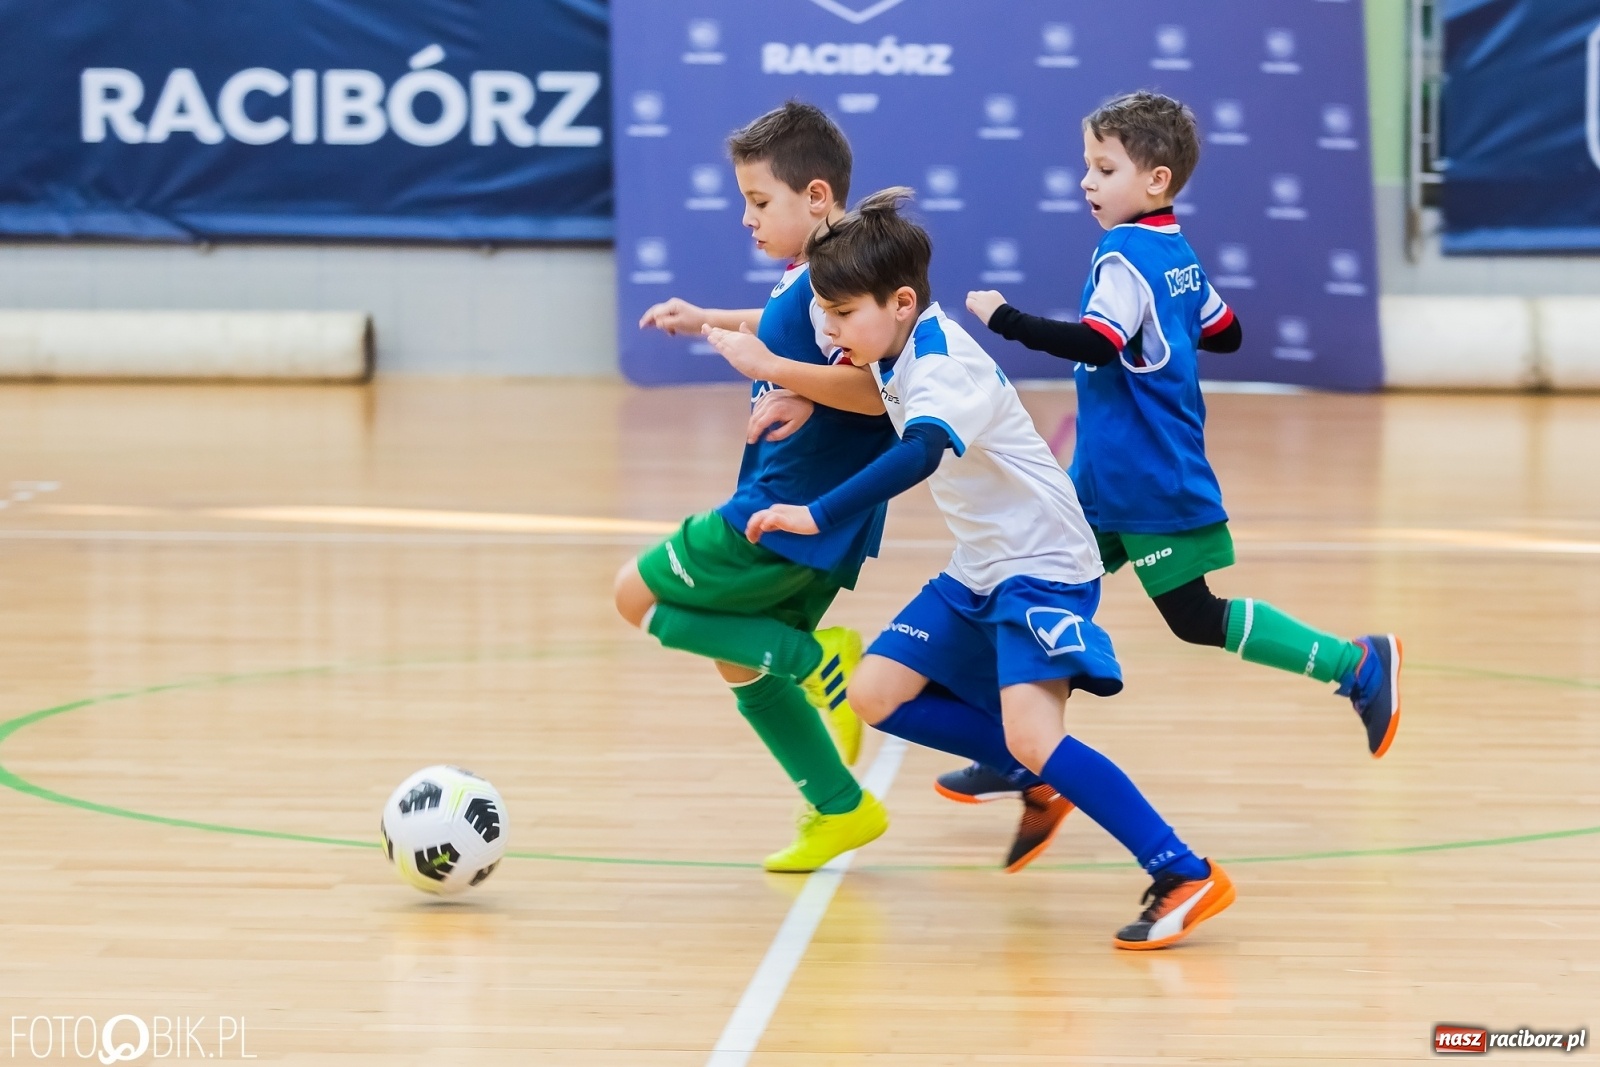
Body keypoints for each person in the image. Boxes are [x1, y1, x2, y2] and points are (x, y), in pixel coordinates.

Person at [709, 187, 1235, 950]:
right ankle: (1041, 777)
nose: (827, 330)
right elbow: (877, 401)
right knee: (875, 692)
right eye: (822, 313)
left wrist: (816, 513)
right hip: (982, 564)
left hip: (1042, 567)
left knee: (1031, 732)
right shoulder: (890, 345)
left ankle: (1182, 870)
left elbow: (920, 450)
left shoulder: (942, 363)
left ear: (899, 302)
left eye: (841, 315)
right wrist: (801, 397)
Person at [944, 90, 1402, 805]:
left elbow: (1098, 340)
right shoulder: (1176, 250)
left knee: (1191, 616)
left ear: (1156, 179)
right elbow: (1227, 330)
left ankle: (1358, 664)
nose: (1087, 183)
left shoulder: (1124, 256)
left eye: (1104, 168)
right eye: (1087, 167)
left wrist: (1005, 317)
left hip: (1147, 478)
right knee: (1038, 592)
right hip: (1105, 476)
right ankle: (1021, 754)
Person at [614, 102, 895, 873]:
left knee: (633, 595)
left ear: (815, 196)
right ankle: (843, 807)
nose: (746, 217)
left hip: (780, 512)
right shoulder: (818, 274)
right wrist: (707, 317)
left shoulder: (843, 278)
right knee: (737, 658)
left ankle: (818, 660)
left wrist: (776, 373)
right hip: (809, 519)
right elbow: (785, 321)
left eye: (759, 200)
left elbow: (879, 393)